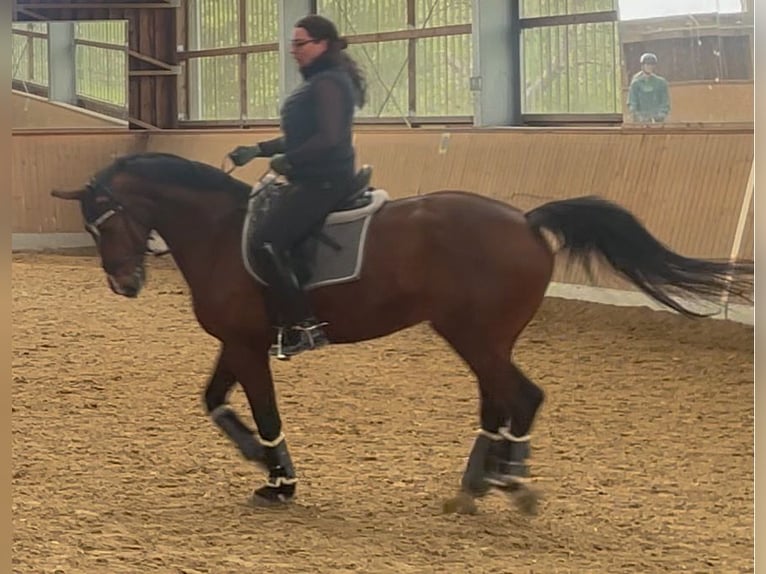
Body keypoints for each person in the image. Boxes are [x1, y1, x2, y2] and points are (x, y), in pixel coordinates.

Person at [227, 14, 367, 359]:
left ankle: (304, 325)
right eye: (293, 44)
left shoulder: (330, 84)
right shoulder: (321, 81)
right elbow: (301, 135)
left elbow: (331, 138)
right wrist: (260, 150)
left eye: (300, 44)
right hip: (312, 174)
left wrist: (292, 161)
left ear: (322, 44)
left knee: (267, 241)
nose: (294, 51)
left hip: (325, 179)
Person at [627, 52, 670, 123]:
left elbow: (665, 102)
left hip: (658, 120)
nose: (649, 67)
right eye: (647, 64)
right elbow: (632, 102)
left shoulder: (661, 83)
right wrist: (638, 116)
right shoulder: (636, 83)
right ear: (643, 66)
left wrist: (661, 114)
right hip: (641, 121)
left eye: (651, 65)